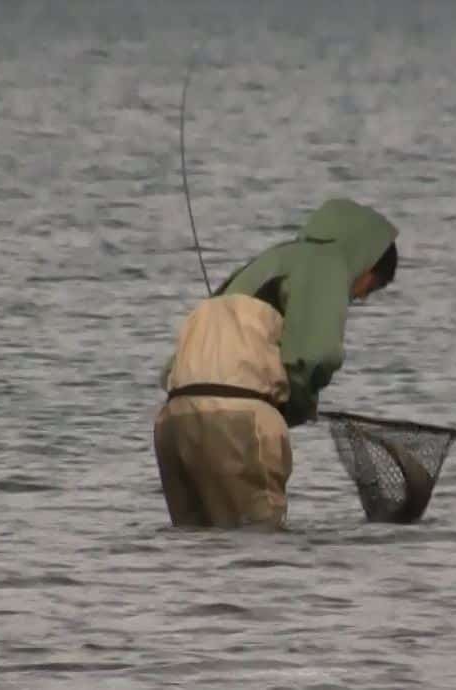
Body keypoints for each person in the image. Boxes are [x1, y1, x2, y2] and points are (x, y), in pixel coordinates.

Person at [153, 197, 399, 529]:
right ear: (366, 262)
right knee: (261, 554)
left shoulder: (265, 263)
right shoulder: (328, 263)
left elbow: (171, 368)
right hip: (239, 420)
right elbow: (317, 353)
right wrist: (299, 404)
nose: (363, 296)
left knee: (195, 554)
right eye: (373, 286)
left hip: (174, 420)